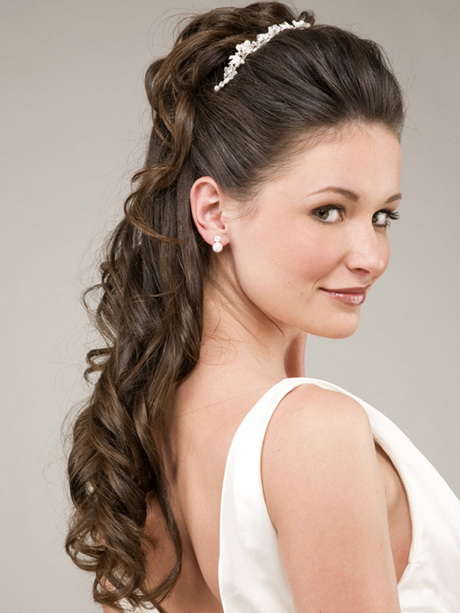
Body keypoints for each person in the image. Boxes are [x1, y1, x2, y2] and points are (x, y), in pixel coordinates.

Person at [65, 2, 460, 612]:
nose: (372, 257)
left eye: (383, 216)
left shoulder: (145, 430)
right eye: (328, 210)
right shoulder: (313, 433)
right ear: (214, 212)